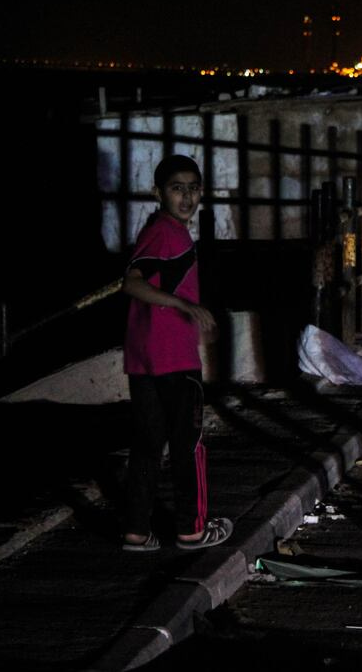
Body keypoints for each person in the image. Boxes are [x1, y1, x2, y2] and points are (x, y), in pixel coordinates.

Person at [121, 154, 233, 552]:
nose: (186, 197)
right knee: (189, 444)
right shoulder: (168, 233)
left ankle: (137, 532)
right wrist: (184, 305)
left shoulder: (157, 232)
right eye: (176, 189)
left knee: (148, 445)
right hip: (174, 359)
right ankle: (192, 530)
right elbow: (132, 283)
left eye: (193, 188)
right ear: (158, 193)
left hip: (144, 358)